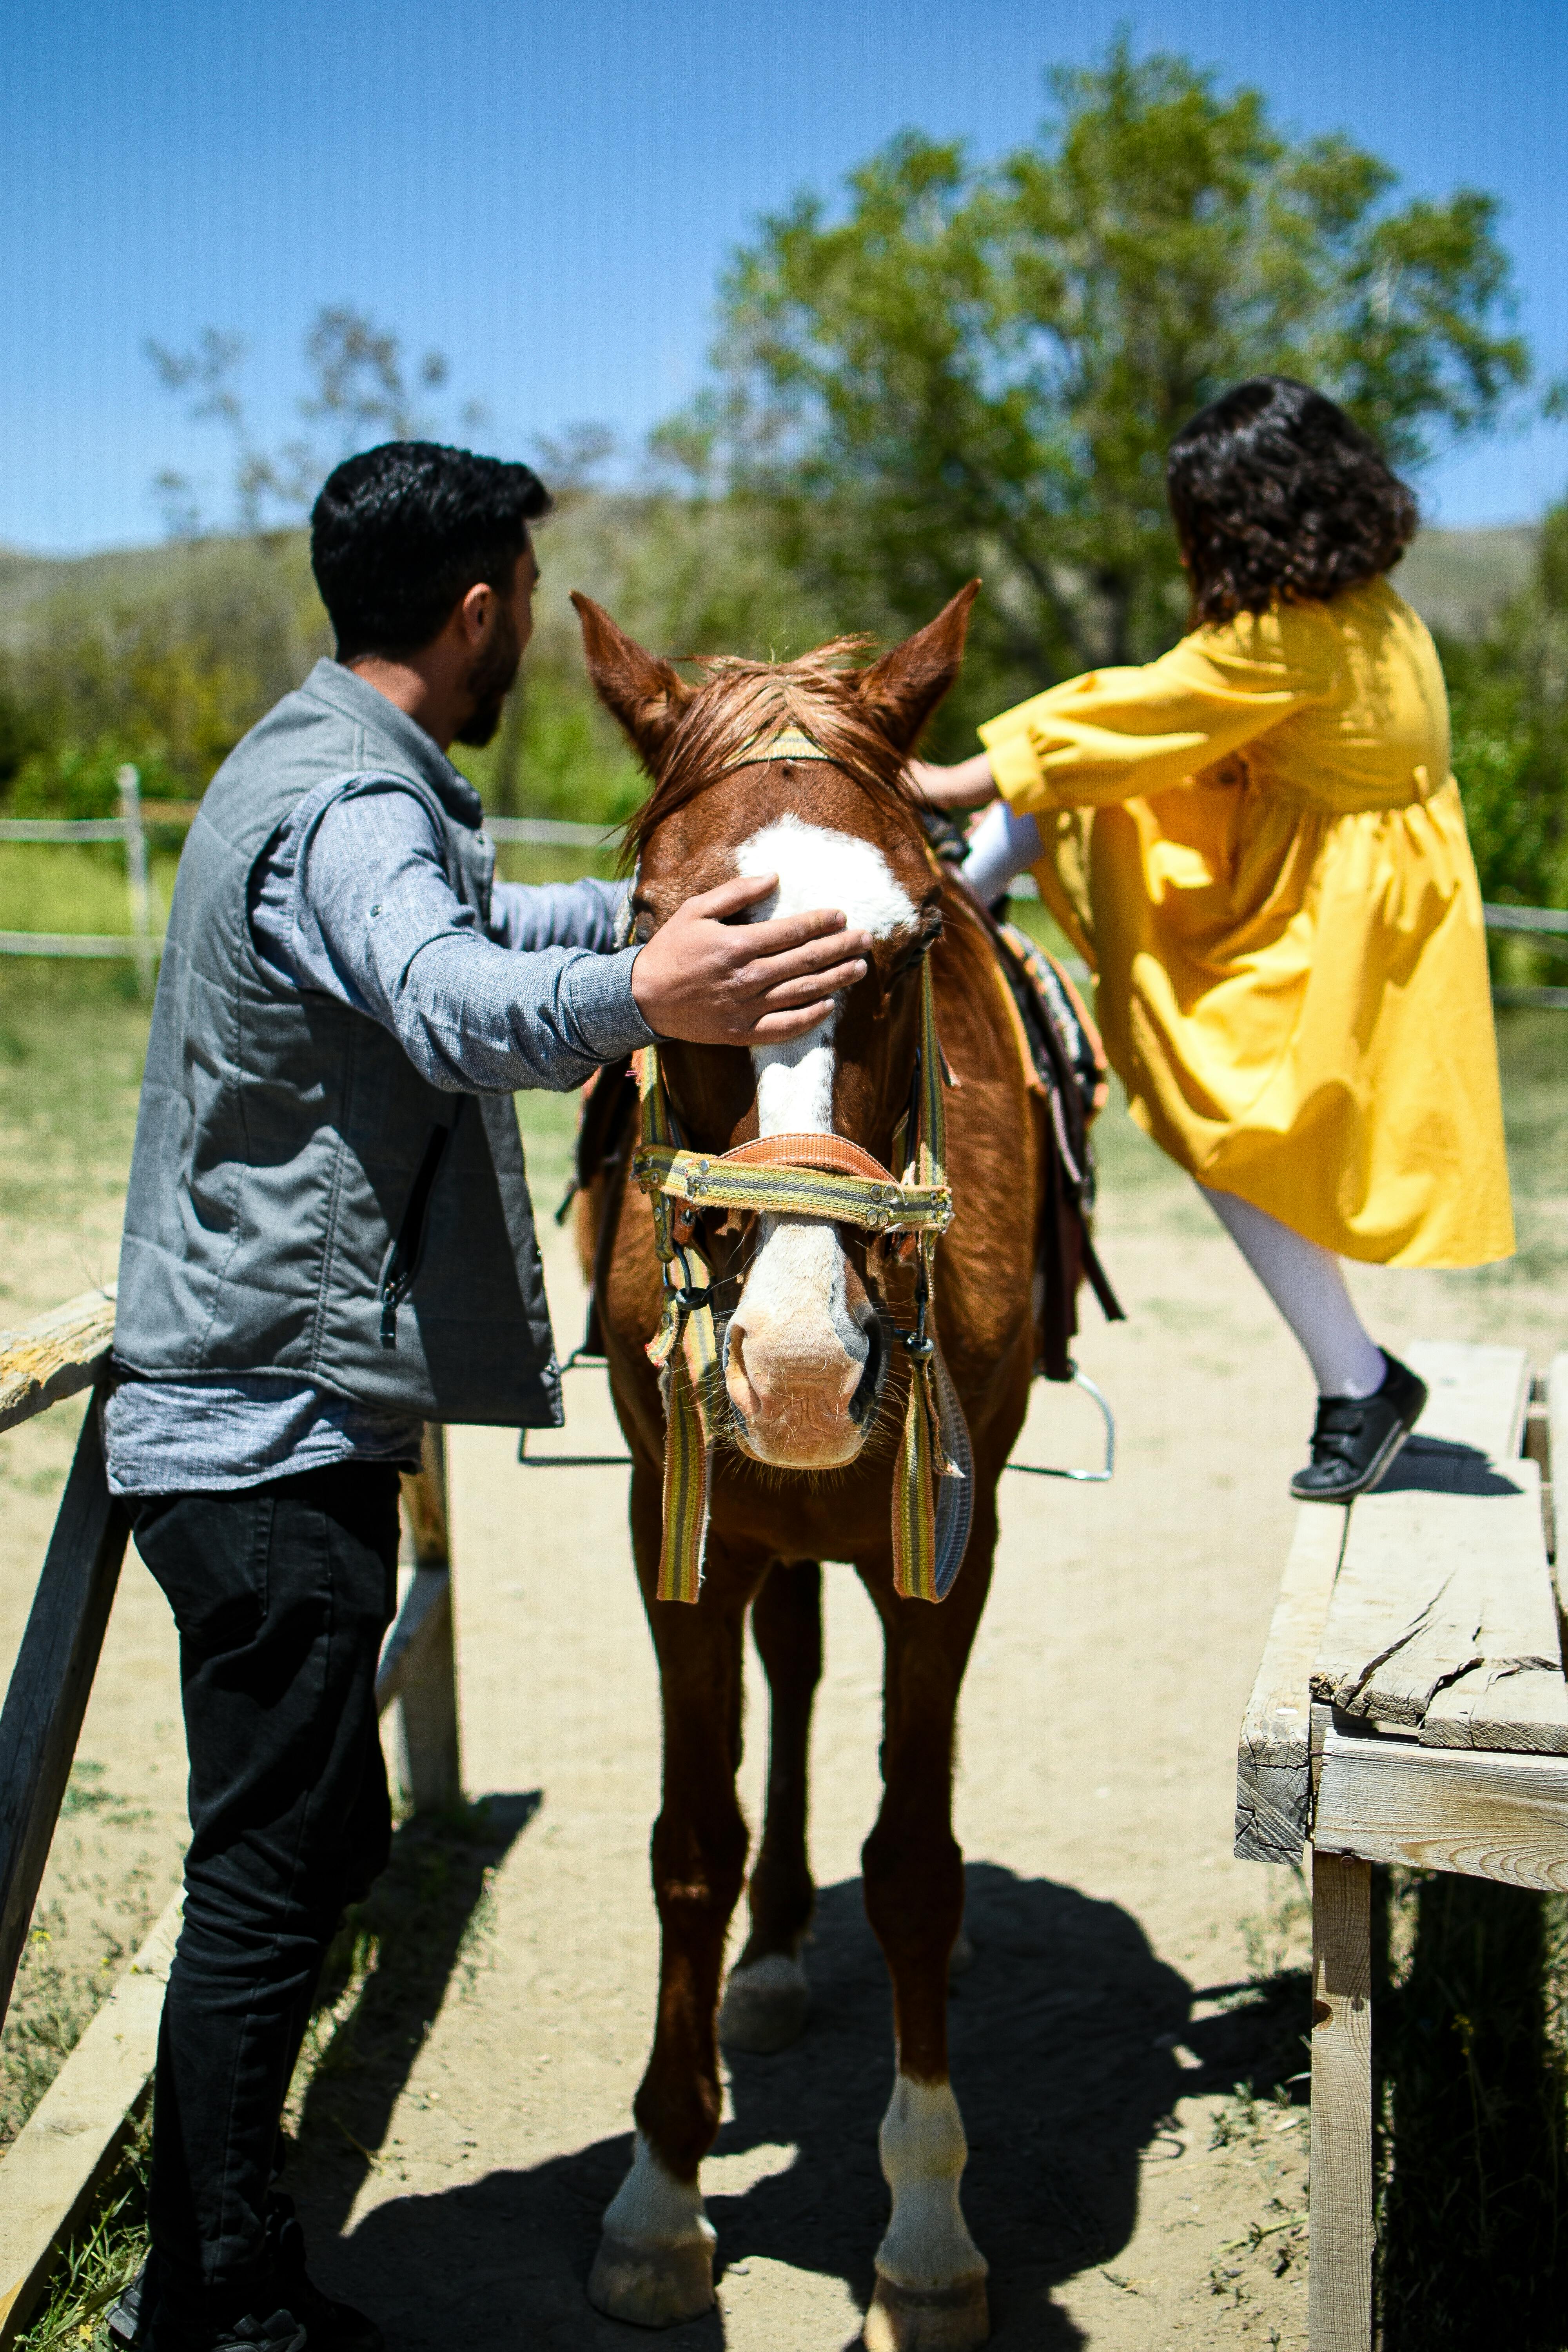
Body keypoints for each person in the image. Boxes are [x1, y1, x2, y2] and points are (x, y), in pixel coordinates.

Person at [102, 441, 875, 2352]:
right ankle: (218, 2304)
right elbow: (450, 999)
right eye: (524, 597)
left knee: (314, 1851)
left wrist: (668, 909)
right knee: (266, 1890)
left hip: (275, 1420)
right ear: (478, 610)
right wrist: (654, 1000)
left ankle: (210, 2264)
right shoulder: (348, 807)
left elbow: (482, 920)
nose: (528, 626)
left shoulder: (336, 772)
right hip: (265, 1430)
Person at [911, 376, 1514, 1502]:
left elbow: (1139, 709)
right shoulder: (1375, 608)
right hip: (1338, 864)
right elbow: (1149, 726)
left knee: (1224, 1120)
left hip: (1327, 905)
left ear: (1245, 517)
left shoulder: (1283, 638)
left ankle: (1361, 1380)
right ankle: (961, 902)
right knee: (1091, 786)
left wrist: (945, 781)